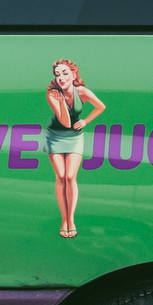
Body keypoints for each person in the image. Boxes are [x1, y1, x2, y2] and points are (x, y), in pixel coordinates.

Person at [45, 59, 105, 238]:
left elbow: (101, 106)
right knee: (61, 176)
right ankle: (63, 219)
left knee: (71, 176)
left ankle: (71, 219)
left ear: (73, 74)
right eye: (57, 75)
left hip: (75, 136)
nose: (61, 78)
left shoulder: (82, 92)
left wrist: (86, 120)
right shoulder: (52, 95)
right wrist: (62, 101)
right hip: (54, 136)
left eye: (64, 73)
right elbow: (64, 121)